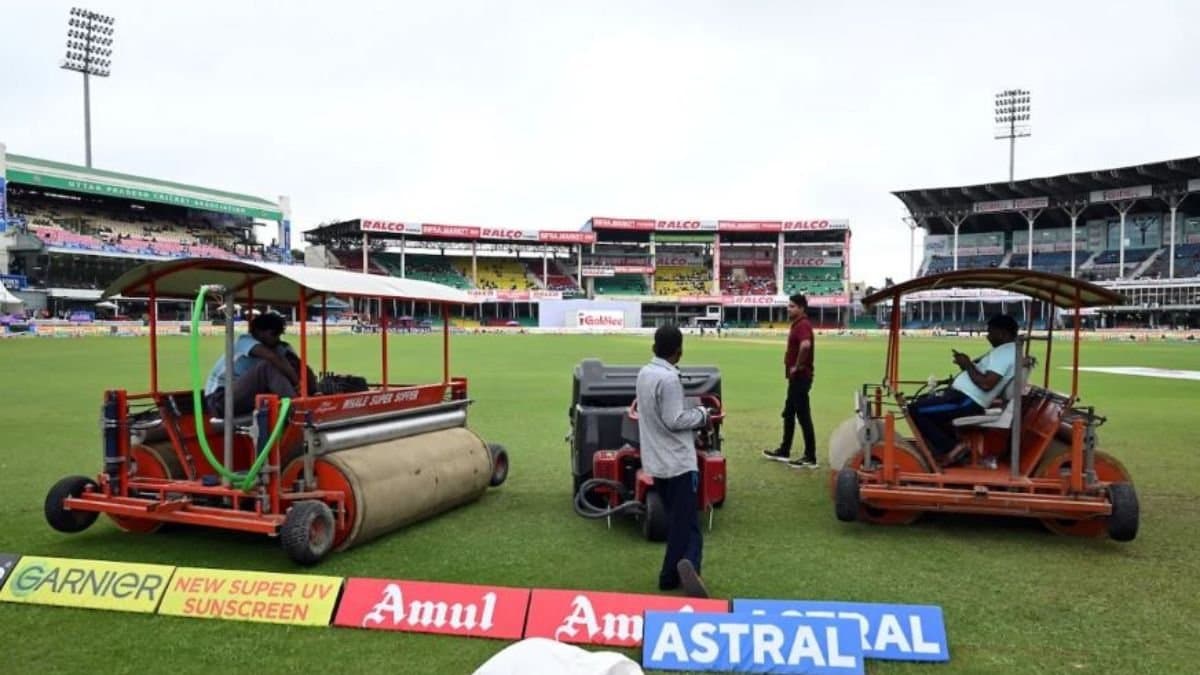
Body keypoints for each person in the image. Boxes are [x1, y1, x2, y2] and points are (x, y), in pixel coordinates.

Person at [636, 324, 715, 598]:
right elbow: (674, 419)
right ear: (679, 352)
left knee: (684, 523)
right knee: (686, 525)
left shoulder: (645, 373)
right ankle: (672, 574)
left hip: (656, 461)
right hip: (678, 462)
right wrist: (703, 416)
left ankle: (686, 570)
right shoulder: (669, 380)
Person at [908, 314, 1020, 464]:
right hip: (963, 398)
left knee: (915, 410)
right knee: (924, 406)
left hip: (967, 400)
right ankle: (949, 447)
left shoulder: (1006, 353)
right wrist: (965, 366)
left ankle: (952, 448)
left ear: (1002, 333)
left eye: (990, 332)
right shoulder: (1006, 351)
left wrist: (967, 364)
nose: (988, 336)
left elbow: (987, 384)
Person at [203, 313, 316, 417]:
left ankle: (315, 402)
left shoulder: (278, 346)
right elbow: (272, 358)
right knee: (267, 367)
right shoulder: (245, 341)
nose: (277, 338)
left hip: (246, 397)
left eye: (279, 334)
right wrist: (297, 383)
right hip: (219, 399)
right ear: (258, 332)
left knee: (296, 365)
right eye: (273, 334)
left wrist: (299, 367)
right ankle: (300, 412)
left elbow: (296, 364)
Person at [762, 294, 818, 468]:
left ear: (801, 308)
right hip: (796, 379)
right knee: (788, 413)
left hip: (800, 378)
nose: (789, 309)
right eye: (788, 306)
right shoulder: (798, 324)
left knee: (803, 417)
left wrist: (798, 365)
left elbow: (806, 345)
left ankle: (810, 456)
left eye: (792, 306)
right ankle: (784, 450)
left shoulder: (802, 325)